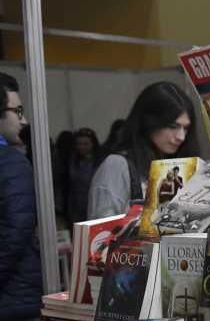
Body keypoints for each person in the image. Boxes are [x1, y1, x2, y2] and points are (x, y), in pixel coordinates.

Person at [87, 82, 199, 219]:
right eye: (172, 126)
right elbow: (100, 233)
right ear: (149, 122)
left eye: (186, 128)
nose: (181, 137)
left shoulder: (178, 163)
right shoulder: (117, 165)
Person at [0, 73, 42, 321]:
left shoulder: (10, 162)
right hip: (15, 304)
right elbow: (13, 234)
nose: (23, 120)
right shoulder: (10, 162)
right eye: (17, 111)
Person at [62, 128, 101, 225]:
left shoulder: (100, 161)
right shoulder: (72, 160)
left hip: (94, 205)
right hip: (75, 208)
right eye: (79, 144)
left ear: (93, 144)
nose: (82, 147)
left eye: (86, 144)